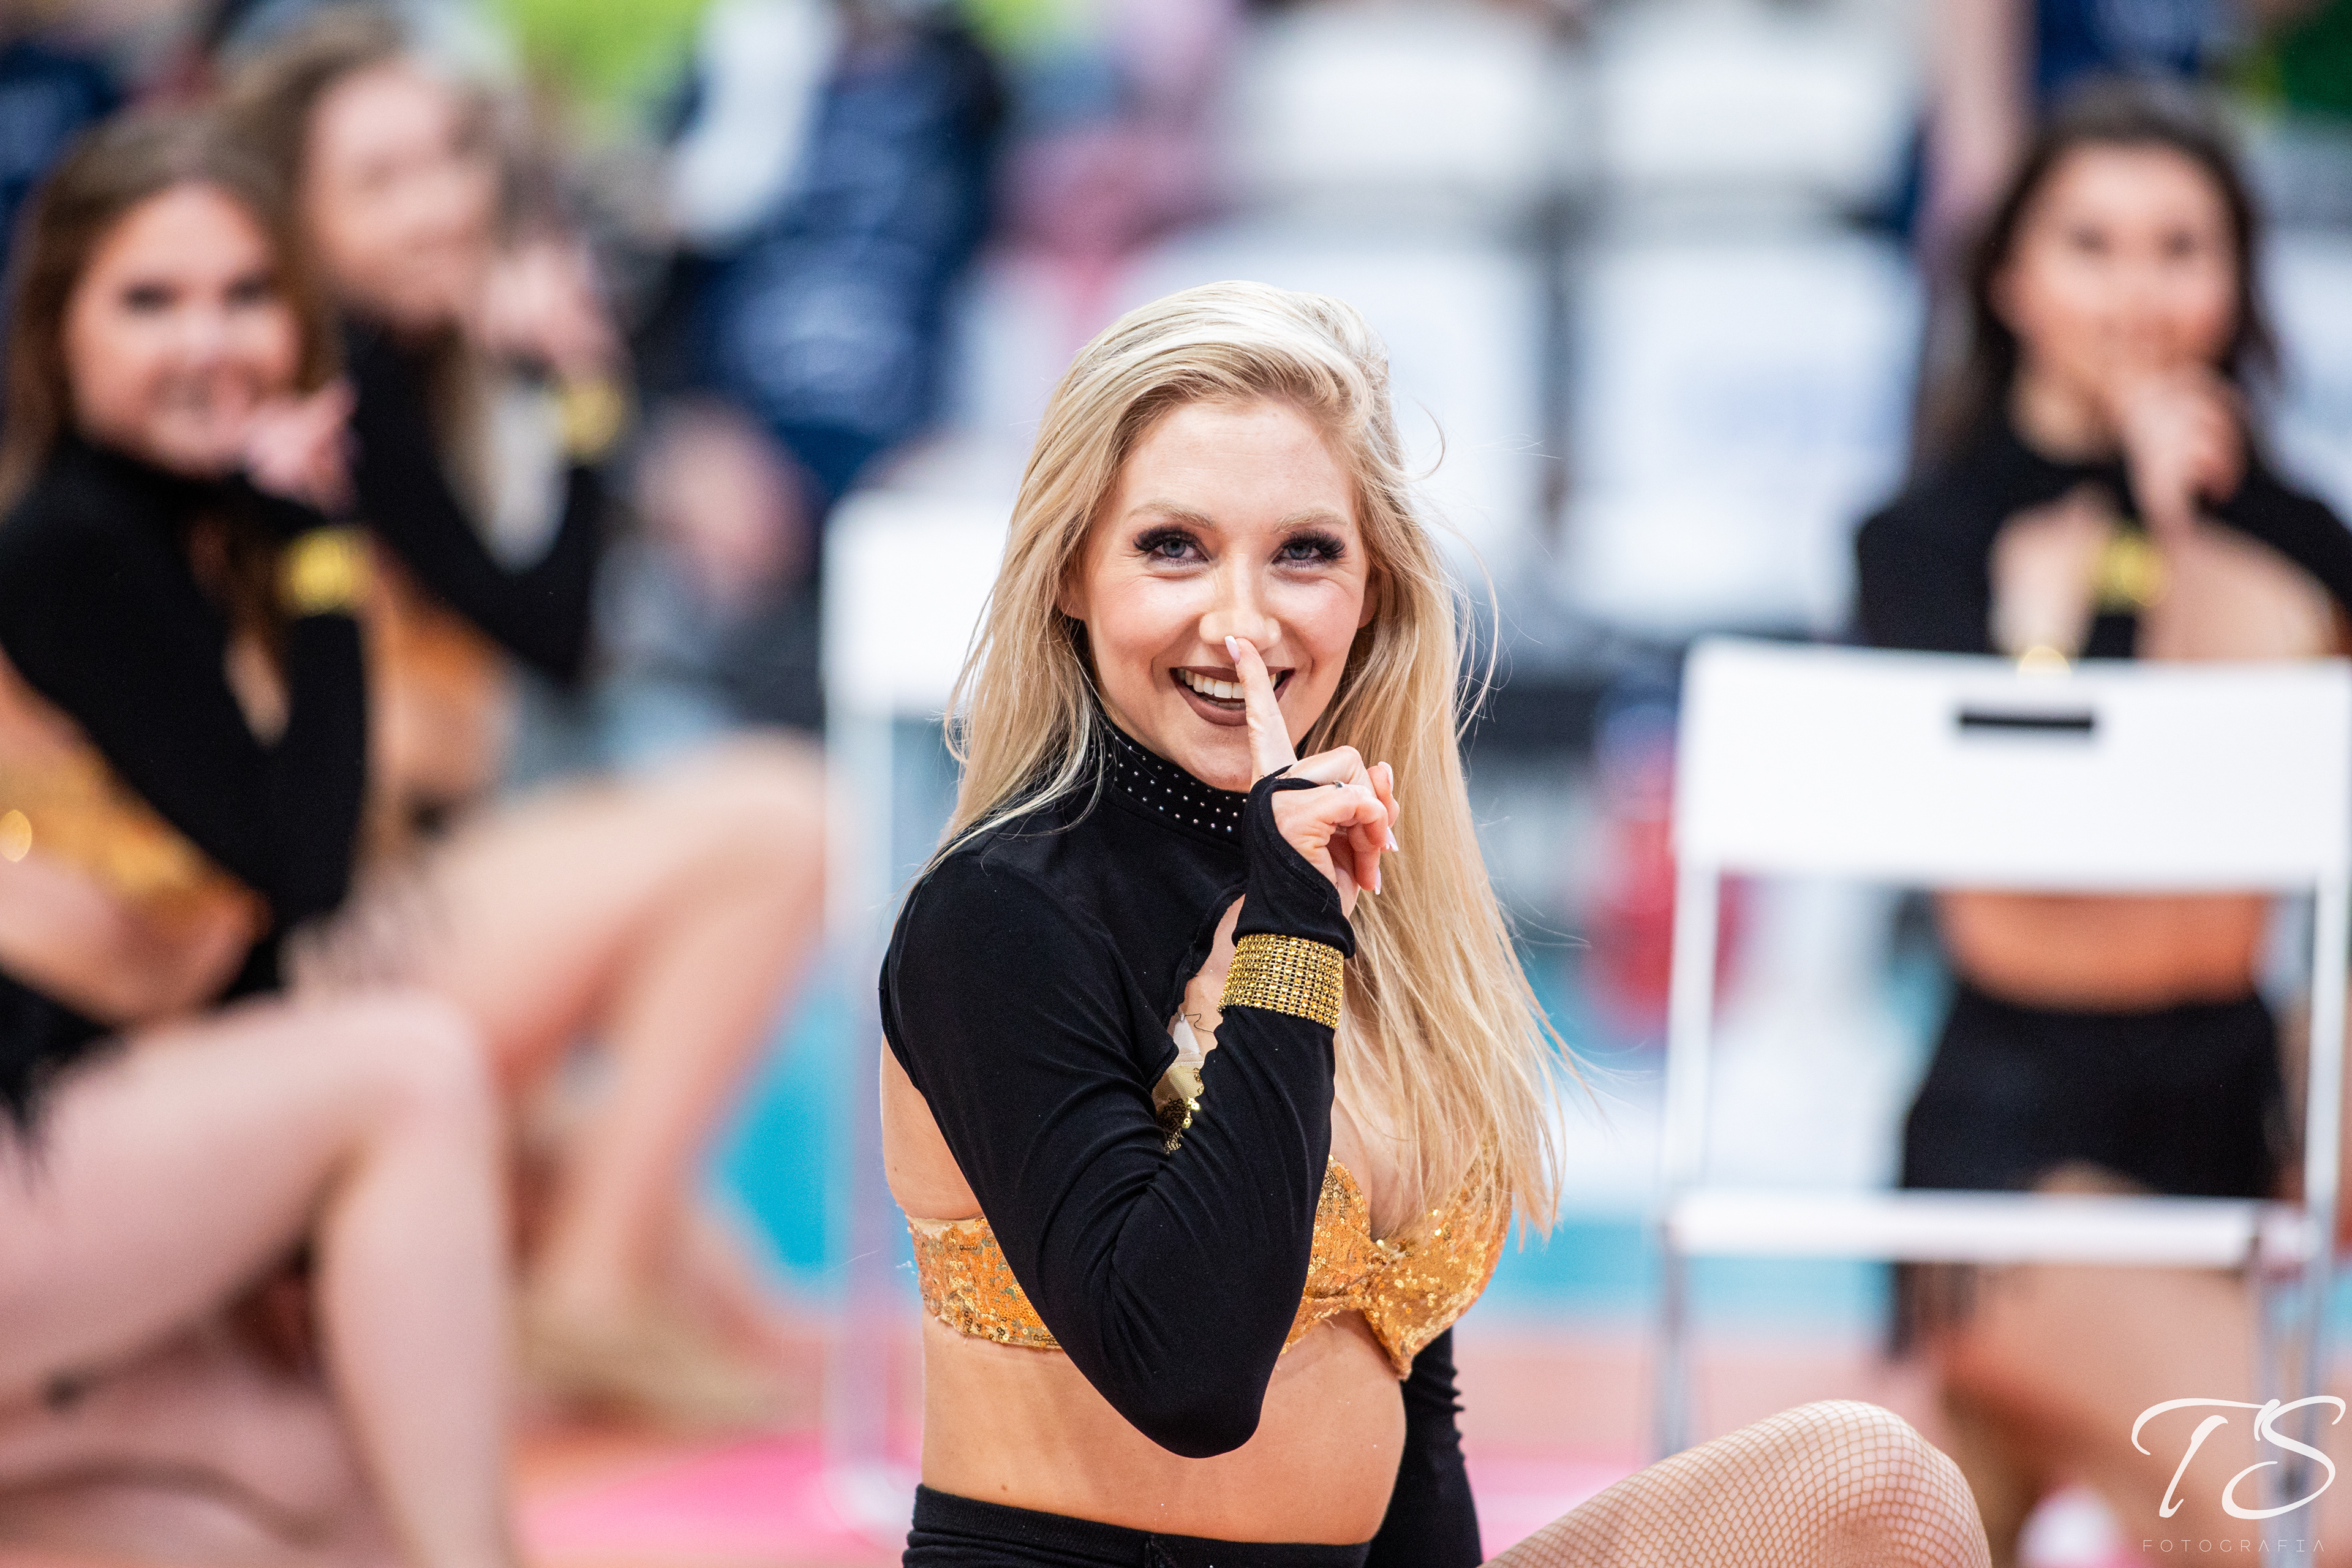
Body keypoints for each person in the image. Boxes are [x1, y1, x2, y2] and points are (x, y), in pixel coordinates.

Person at [880, 280, 1991, 1566]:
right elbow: (1186, 1370)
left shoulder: (1369, 894)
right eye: (1173, 547)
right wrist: (1291, 934)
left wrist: (1304, 906)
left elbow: (1418, 1430)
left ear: (1375, 587)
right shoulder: (1002, 911)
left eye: (1304, 552)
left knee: (1874, 1488)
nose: (1241, 622)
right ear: (1073, 573)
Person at [221, 12, 829, 1424]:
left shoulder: (393, 372)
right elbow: (553, 637)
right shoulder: (330, 382)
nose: (439, 203)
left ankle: (591, 1280)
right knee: (782, 819)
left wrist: (573, 393)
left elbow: (554, 626)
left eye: (449, 160)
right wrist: (578, 393)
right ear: (293, 214)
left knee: (741, 1320)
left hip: (401, 896)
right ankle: (585, 1292)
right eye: (380, 180)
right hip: (337, 928)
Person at [0, 111, 513, 1568]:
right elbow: (302, 869)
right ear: (60, 332)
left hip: (93, 1119)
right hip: (36, 1140)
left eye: (243, 295)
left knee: (327, 1491)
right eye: (150, 300)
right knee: (414, 1066)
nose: (206, 342)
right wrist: (321, 545)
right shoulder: (73, 544)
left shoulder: (191, 529)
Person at [1855, 85, 2352, 1564]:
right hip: (2024, 1156)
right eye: (2093, 244)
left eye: (2179, 246)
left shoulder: (2304, 541)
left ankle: (2002, 1435)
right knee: (2303, 1511)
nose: (2138, 289)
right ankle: (1994, 1403)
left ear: (2238, 280)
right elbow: (2036, 841)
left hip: (2245, 1126)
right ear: (2012, 279)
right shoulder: (1930, 541)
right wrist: (2128, 553)